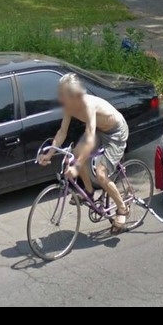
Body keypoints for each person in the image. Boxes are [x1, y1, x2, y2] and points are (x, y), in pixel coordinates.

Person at [38, 73, 130, 233]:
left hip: (116, 132)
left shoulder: (88, 105)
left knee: (101, 174)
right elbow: (62, 132)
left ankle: (122, 209)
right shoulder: (69, 107)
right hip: (101, 130)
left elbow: (89, 137)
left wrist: (77, 165)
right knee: (75, 154)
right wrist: (49, 154)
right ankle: (89, 190)